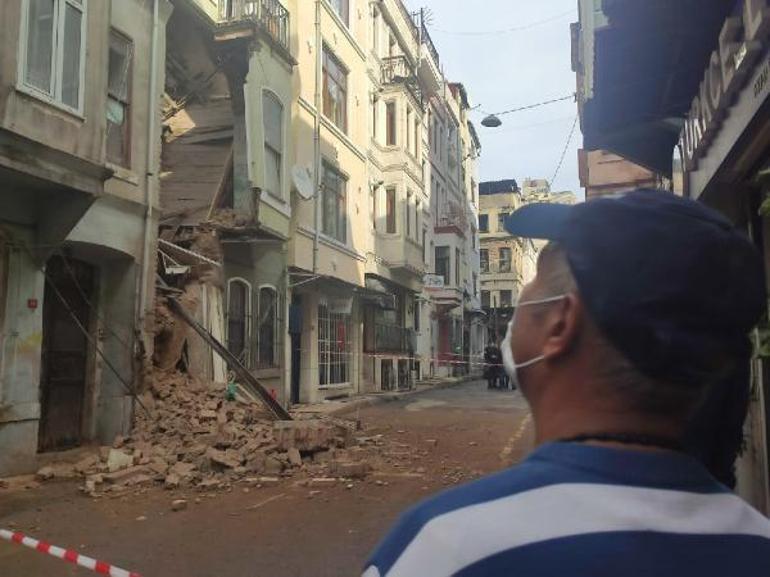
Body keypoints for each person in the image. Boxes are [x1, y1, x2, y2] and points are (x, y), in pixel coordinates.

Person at [363, 190, 770, 577]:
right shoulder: (757, 544)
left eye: (537, 278)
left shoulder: (448, 546)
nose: (524, 294)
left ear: (560, 323)